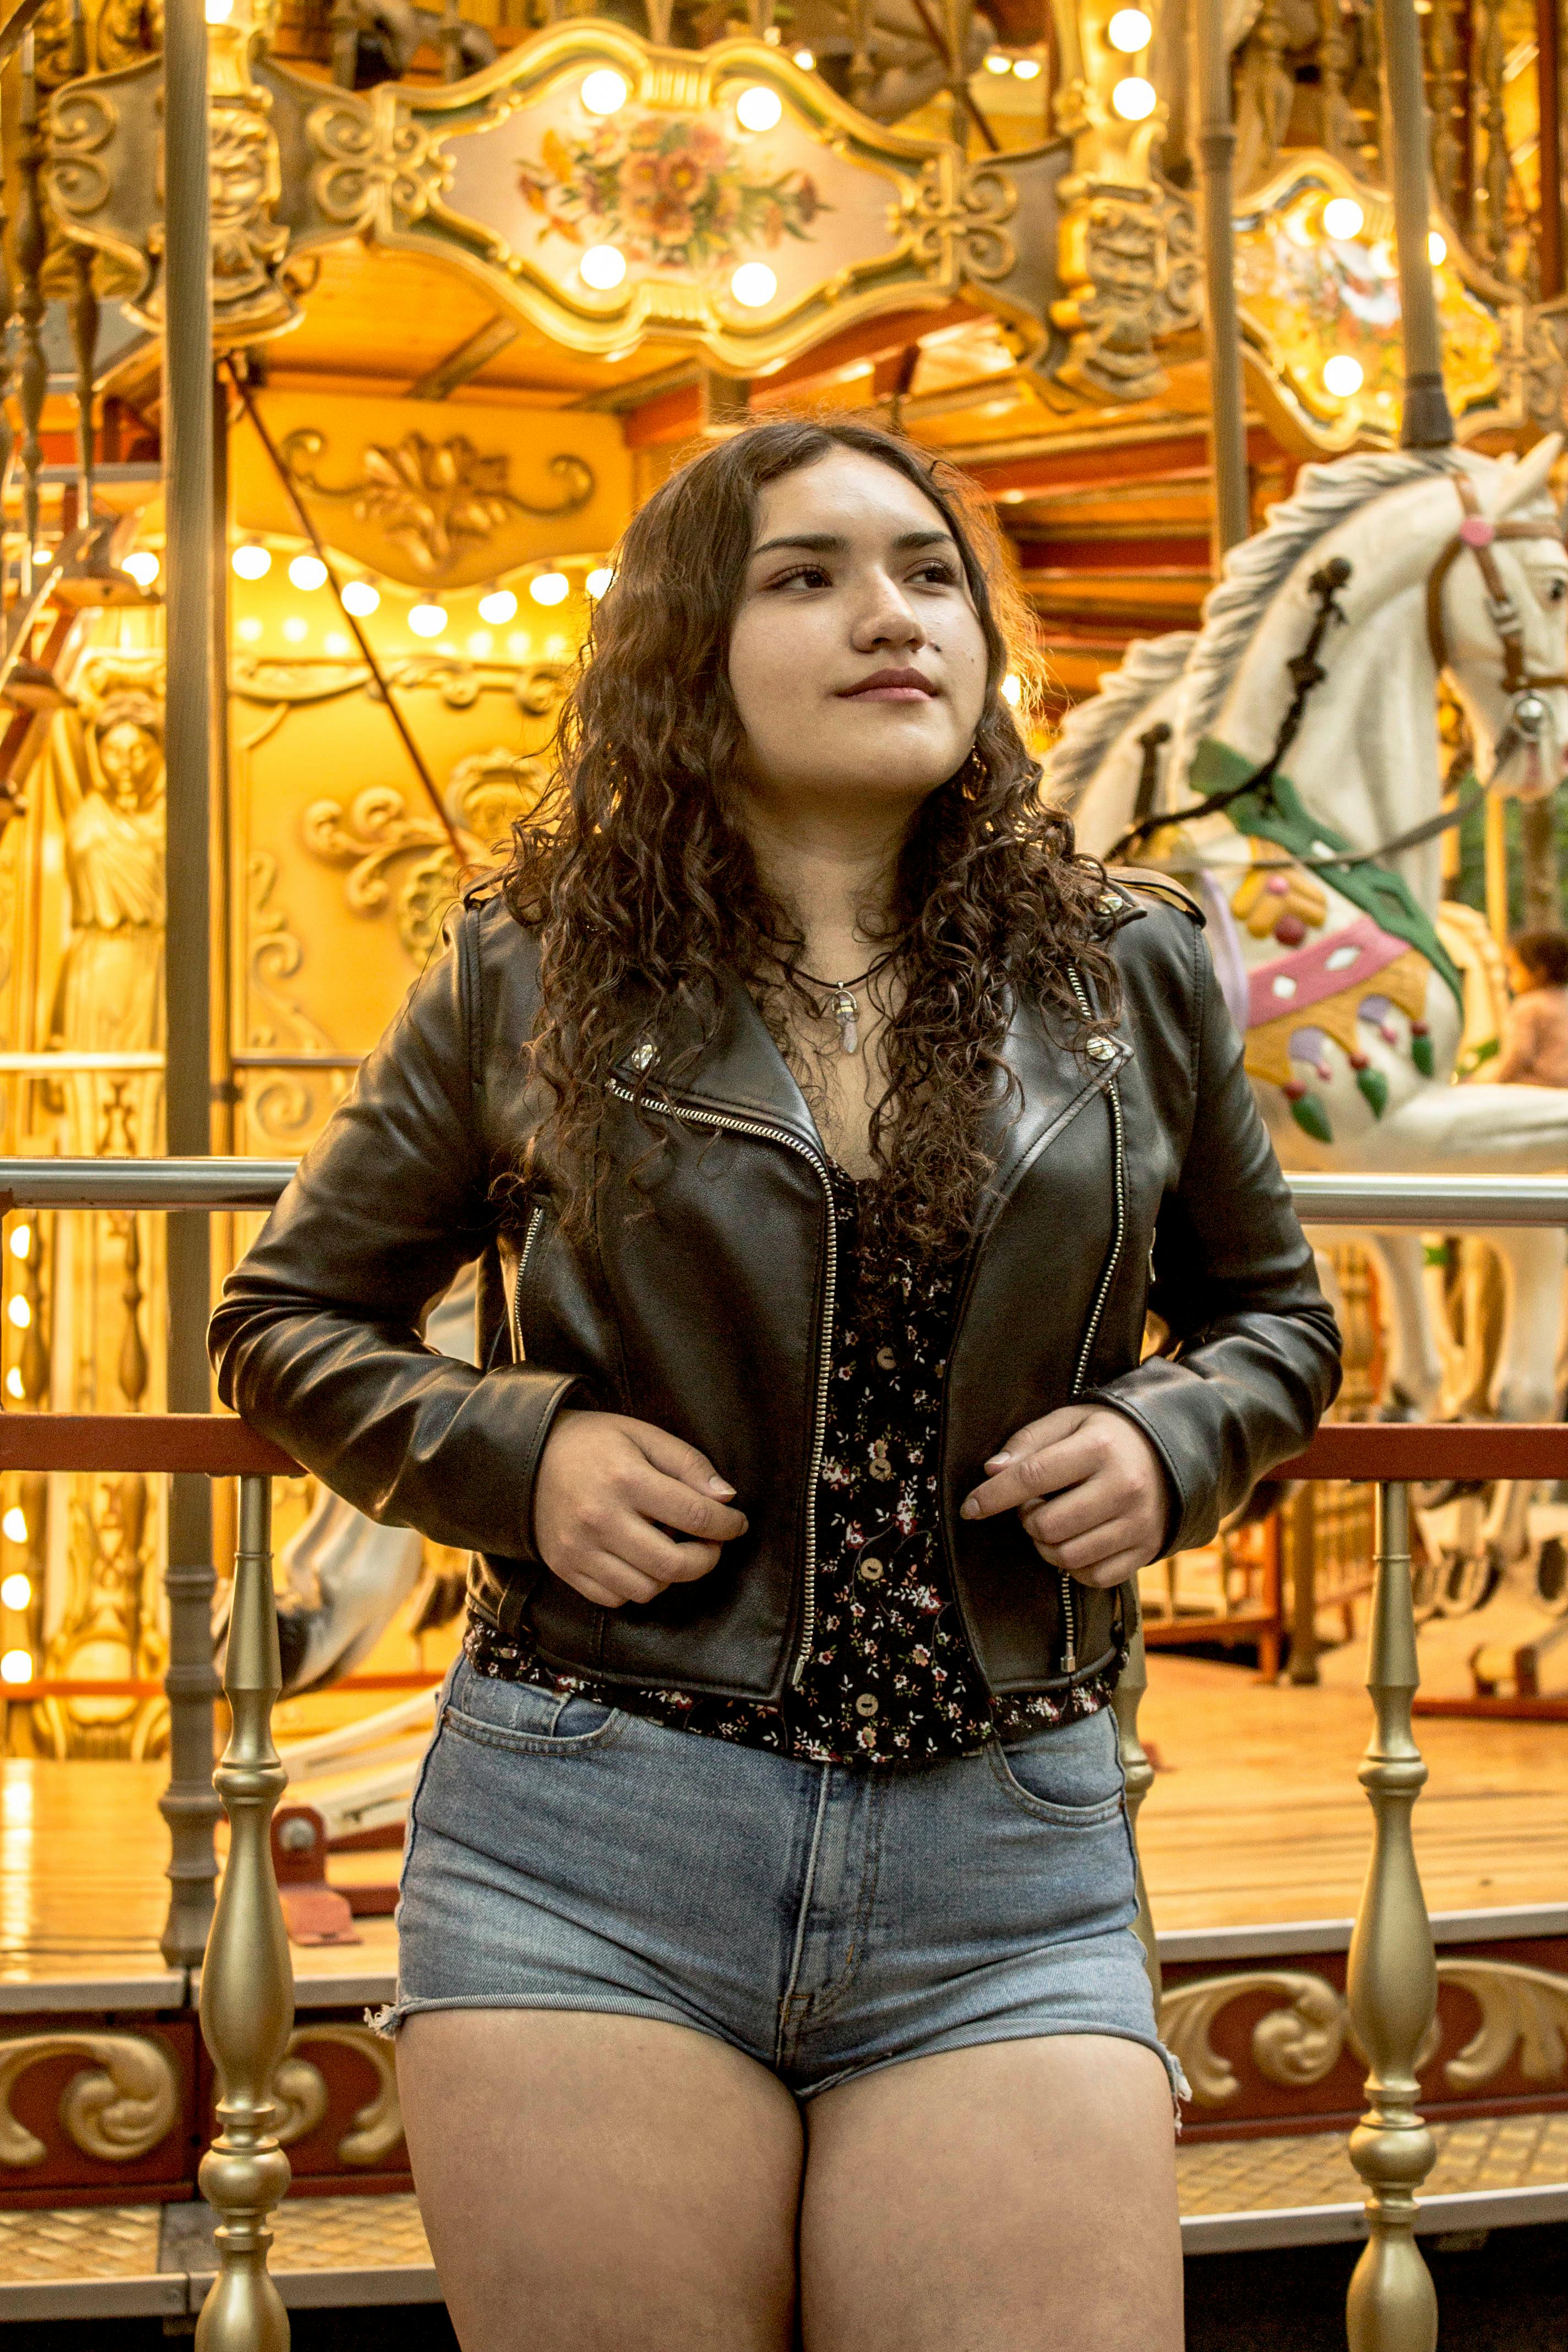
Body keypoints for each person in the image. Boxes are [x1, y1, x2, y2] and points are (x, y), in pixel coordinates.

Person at [210, 418, 1340, 2352]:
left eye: (922, 571)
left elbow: (1274, 1320)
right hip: (596, 1823)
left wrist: (1173, 1436)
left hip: (1007, 1840)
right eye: (800, 575)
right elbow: (289, 1317)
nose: (886, 614)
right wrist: (518, 1450)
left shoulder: (1120, 965)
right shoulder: (531, 966)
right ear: (684, 650)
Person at [1499, 927, 1568, 1088]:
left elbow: (1519, 1055)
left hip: (1540, 1086)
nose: (1510, 979)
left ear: (1539, 971)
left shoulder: (1528, 1006)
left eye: (1515, 969)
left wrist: (1488, 1081)